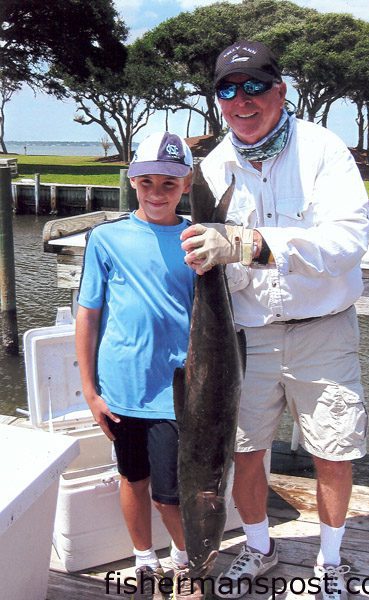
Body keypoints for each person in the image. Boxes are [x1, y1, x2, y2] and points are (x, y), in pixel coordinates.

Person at [181, 40, 369, 600]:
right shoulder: (211, 170)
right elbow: (215, 265)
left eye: (255, 86)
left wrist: (251, 244)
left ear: (280, 91)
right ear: (218, 100)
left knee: (332, 451)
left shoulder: (323, 150)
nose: (242, 100)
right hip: (247, 335)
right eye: (228, 89)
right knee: (244, 449)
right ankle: (260, 549)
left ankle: (330, 561)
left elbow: (346, 242)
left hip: (324, 329)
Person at [75, 131, 201, 600]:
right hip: (122, 386)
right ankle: (144, 558)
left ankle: (186, 561)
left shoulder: (197, 240)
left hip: (176, 391)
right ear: (132, 181)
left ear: (186, 185)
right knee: (133, 476)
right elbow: (88, 314)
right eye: (146, 181)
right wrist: (90, 391)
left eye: (168, 183)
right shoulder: (105, 239)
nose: (156, 192)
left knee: (170, 492)